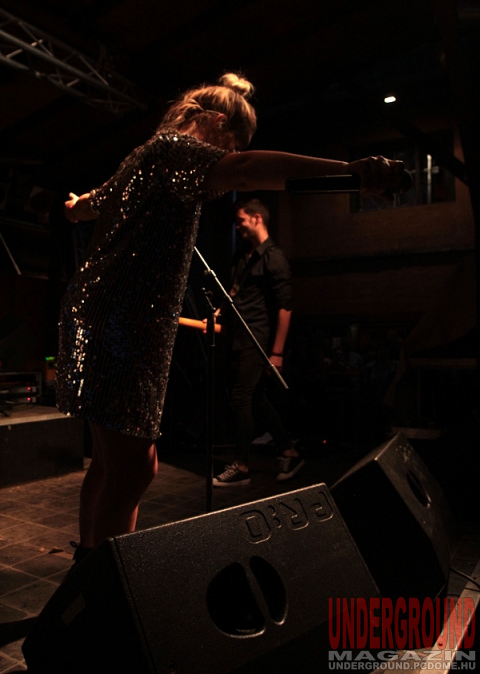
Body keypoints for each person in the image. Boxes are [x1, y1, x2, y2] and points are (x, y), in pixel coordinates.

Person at [55, 71, 404, 566]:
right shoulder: (176, 149)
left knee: (114, 462)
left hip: (99, 314)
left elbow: (88, 206)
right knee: (133, 469)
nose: (228, 155)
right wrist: (350, 172)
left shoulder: (146, 156)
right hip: (123, 321)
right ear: (217, 122)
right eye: (232, 143)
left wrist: (74, 207)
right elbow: (244, 171)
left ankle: (89, 566)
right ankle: (105, 585)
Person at [212, 197, 302, 486]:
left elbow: (285, 307)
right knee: (258, 400)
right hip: (239, 337)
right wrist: (218, 313)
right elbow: (235, 292)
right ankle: (288, 450)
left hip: (256, 338)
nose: (237, 227)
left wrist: (277, 352)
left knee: (241, 397)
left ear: (257, 218)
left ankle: (242, 465)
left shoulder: (274, 257)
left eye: (241, 221)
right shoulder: (244, 256)